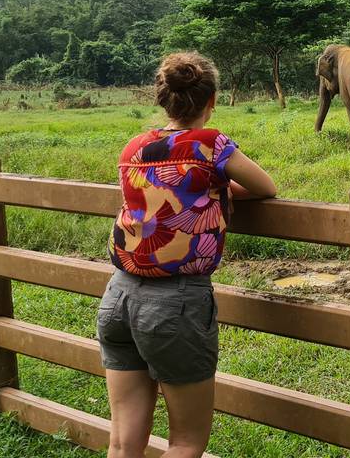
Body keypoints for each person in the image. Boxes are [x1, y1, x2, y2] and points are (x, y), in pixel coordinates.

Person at [96, 52, 276, 458]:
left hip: (119, 296)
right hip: (175, 303)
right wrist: (220, 188)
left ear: (162, 99)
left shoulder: (135, 146)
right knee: (186, 442)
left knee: (123, 442)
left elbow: (157, 195)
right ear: (211, 100)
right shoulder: (212, 145)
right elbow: (266, 187)